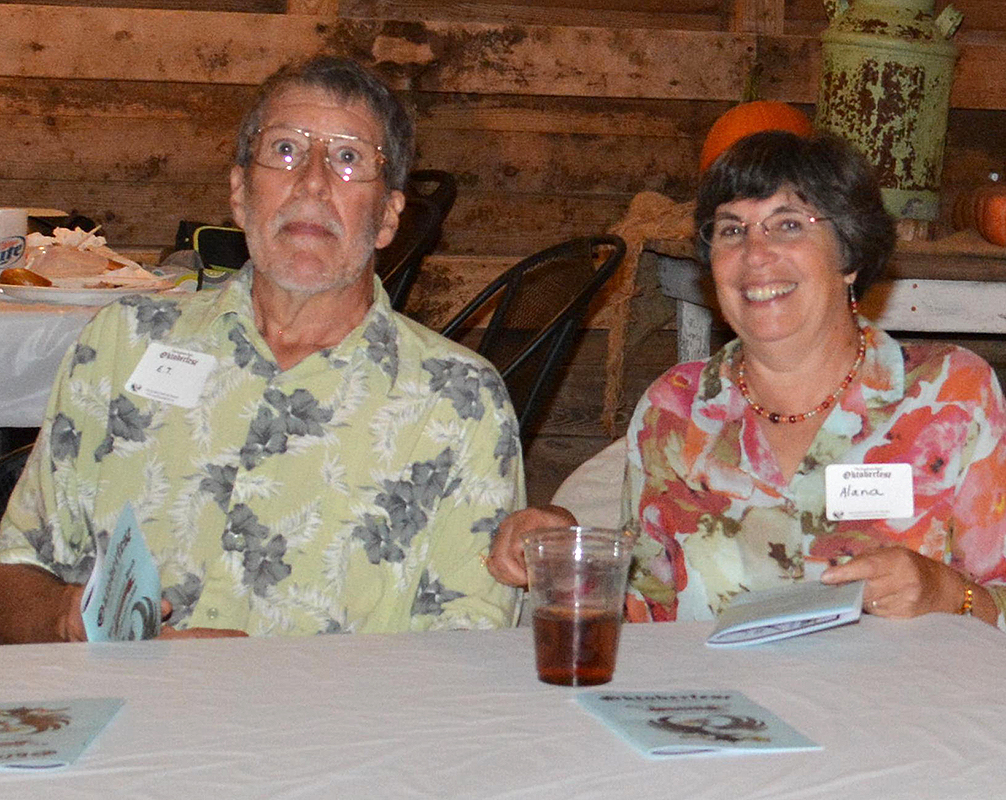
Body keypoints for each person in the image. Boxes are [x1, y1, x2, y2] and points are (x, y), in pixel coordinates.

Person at [0, 55, 523, 643]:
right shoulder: (123, 341)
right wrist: (66, 620)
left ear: (387, 217)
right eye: (285, 151)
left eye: (349, 157)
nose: (313, 182)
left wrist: (256, 683)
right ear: (240, 194)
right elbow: (16, 570)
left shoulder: (458, 402)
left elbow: (468, 664)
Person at [488, 130, 1006, 629]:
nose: (755, 255)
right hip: (716, 710)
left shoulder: (950, 395)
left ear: (848, 253)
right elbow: (644, 611)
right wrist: (561, 539)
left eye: (788, 225)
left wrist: (945, 592)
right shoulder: (675, 408)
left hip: (895, 711)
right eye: (732, 230)